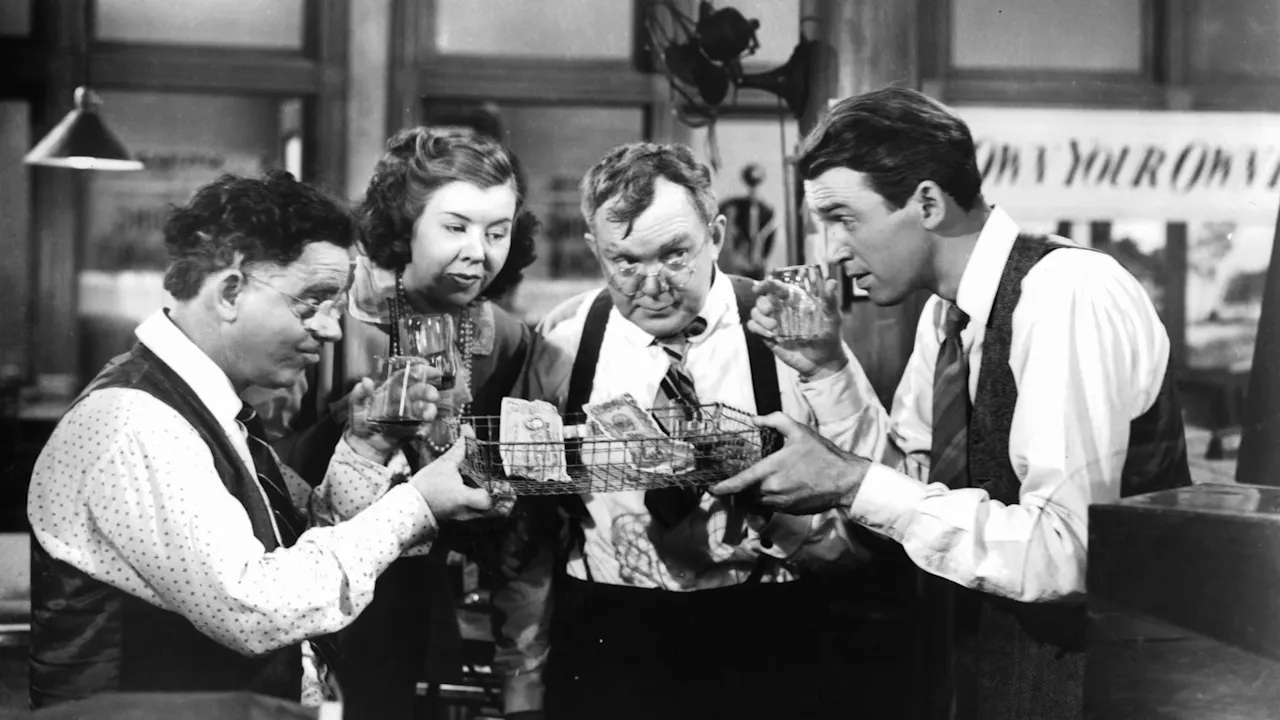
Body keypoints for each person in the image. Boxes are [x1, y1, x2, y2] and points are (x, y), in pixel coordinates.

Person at [712, 87, 1192, 720]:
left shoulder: (1066, 293)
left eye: (844, 218)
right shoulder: (946, 318)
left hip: (1102, 690)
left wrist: (851, 481)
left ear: (928, 203)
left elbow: (1067, 553)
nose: (832, 250)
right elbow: (911, 488)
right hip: (992, 676)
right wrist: (827, 370)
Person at [26, 171, 499, 709]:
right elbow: (257, 607)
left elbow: (297, 550)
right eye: (313, 301)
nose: (331, 329)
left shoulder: (203, 408)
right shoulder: (136, 423)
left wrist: (365, 448)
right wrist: (416, 505)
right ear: (230, 292)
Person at [493, 142, 915, 720]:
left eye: (675, 255)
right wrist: (521, 685)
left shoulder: (788, 326)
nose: (652, 285)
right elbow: (529, 529)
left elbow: (882, 499)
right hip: (606, 637)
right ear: (595, 248)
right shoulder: (564, 338)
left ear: (715, 235)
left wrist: (828, 374)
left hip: (766, 638)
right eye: (625, 262)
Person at [281, 127, 539, 720]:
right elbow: (263, 464)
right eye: (455, 227)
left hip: (420, 603)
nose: (479, 252)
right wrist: (350, 431)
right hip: (305, 585)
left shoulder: (504, 337)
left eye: (497, 232)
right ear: (405, 224)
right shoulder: (333, 312)